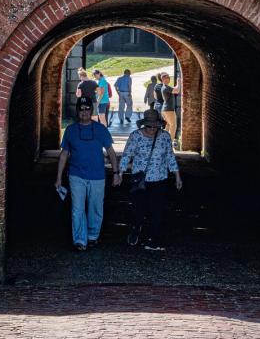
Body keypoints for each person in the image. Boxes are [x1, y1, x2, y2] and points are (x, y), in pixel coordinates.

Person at [55, 96, 121, 251]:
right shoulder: (71, 130)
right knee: (77, 209)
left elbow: (111, 152)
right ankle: (79, 240)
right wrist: (58, 177)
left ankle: (92, 236)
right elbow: (64, 154)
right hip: (76, 175)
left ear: (92, 110)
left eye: (87, 109)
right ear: (77, 111)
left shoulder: (100, 129)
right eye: (81, 109)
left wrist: (116, 173)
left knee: (95, 207)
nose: (84, 112)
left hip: (97, 175)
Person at [119, 109, 182, 250]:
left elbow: (170, 157)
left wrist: (177, 176)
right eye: (149, 126)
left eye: (155, 126)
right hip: (140, 180)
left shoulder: (165, 136)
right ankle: (136, 229)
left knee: (157, 210)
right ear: (144, 125)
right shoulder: (135, 136)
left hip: (160, 179)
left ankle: (153, 238)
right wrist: (120, 173)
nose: (152, 129)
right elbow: (126, 155)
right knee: (138, 209)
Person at [161, 73, 180, 143]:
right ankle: (169, 142)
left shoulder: (165, 87)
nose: (168, 79)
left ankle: (163, 140)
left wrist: (177, 85)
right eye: (166, 78)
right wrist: (178, 82)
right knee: (173, 125)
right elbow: (177, 90)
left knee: (168, 125)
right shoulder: (166, 87)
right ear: (163, 79)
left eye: (168, 77)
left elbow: (174, 89)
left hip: (166, 110)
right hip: (169, 110)